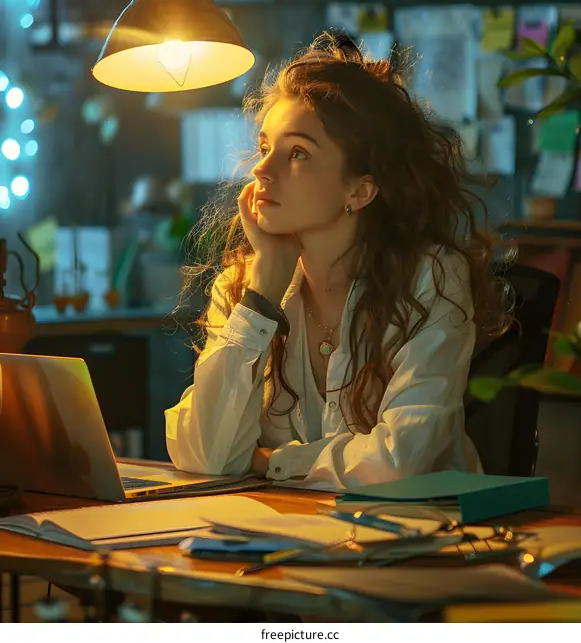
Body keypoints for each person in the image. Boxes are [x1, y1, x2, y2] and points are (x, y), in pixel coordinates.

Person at [165, 33, 514, 490]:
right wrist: (259, 303)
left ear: (360, 190)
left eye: (298, 153)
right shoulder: (245, 284)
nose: (261, 171)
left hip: (428, 541)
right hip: (287, 541)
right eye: (265, 146)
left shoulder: (430, 277)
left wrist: (271, 461)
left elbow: (399, 460)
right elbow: (204, 456)